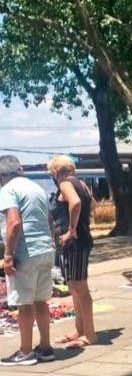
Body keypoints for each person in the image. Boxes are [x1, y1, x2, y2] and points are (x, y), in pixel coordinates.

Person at [0, 155, 56, 365]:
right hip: (45, 248)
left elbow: (14, 223)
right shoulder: (37, 188)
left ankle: (25, 352)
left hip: (26, 250)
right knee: (41, 300)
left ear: (2, 175)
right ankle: (45, 347)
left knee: (24, 303)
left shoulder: (8, 190)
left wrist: (8, 255)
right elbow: (49, 219)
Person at [47, 155, 97, 350]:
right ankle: (79, 328)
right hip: (77, 241)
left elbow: (75, 203)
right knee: (74, 286)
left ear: (56, 171)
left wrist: (72, 229)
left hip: (74, 242)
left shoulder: (66, 184)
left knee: (80, 287)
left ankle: (90, 334)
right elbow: (92, 205)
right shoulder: (81, 183)